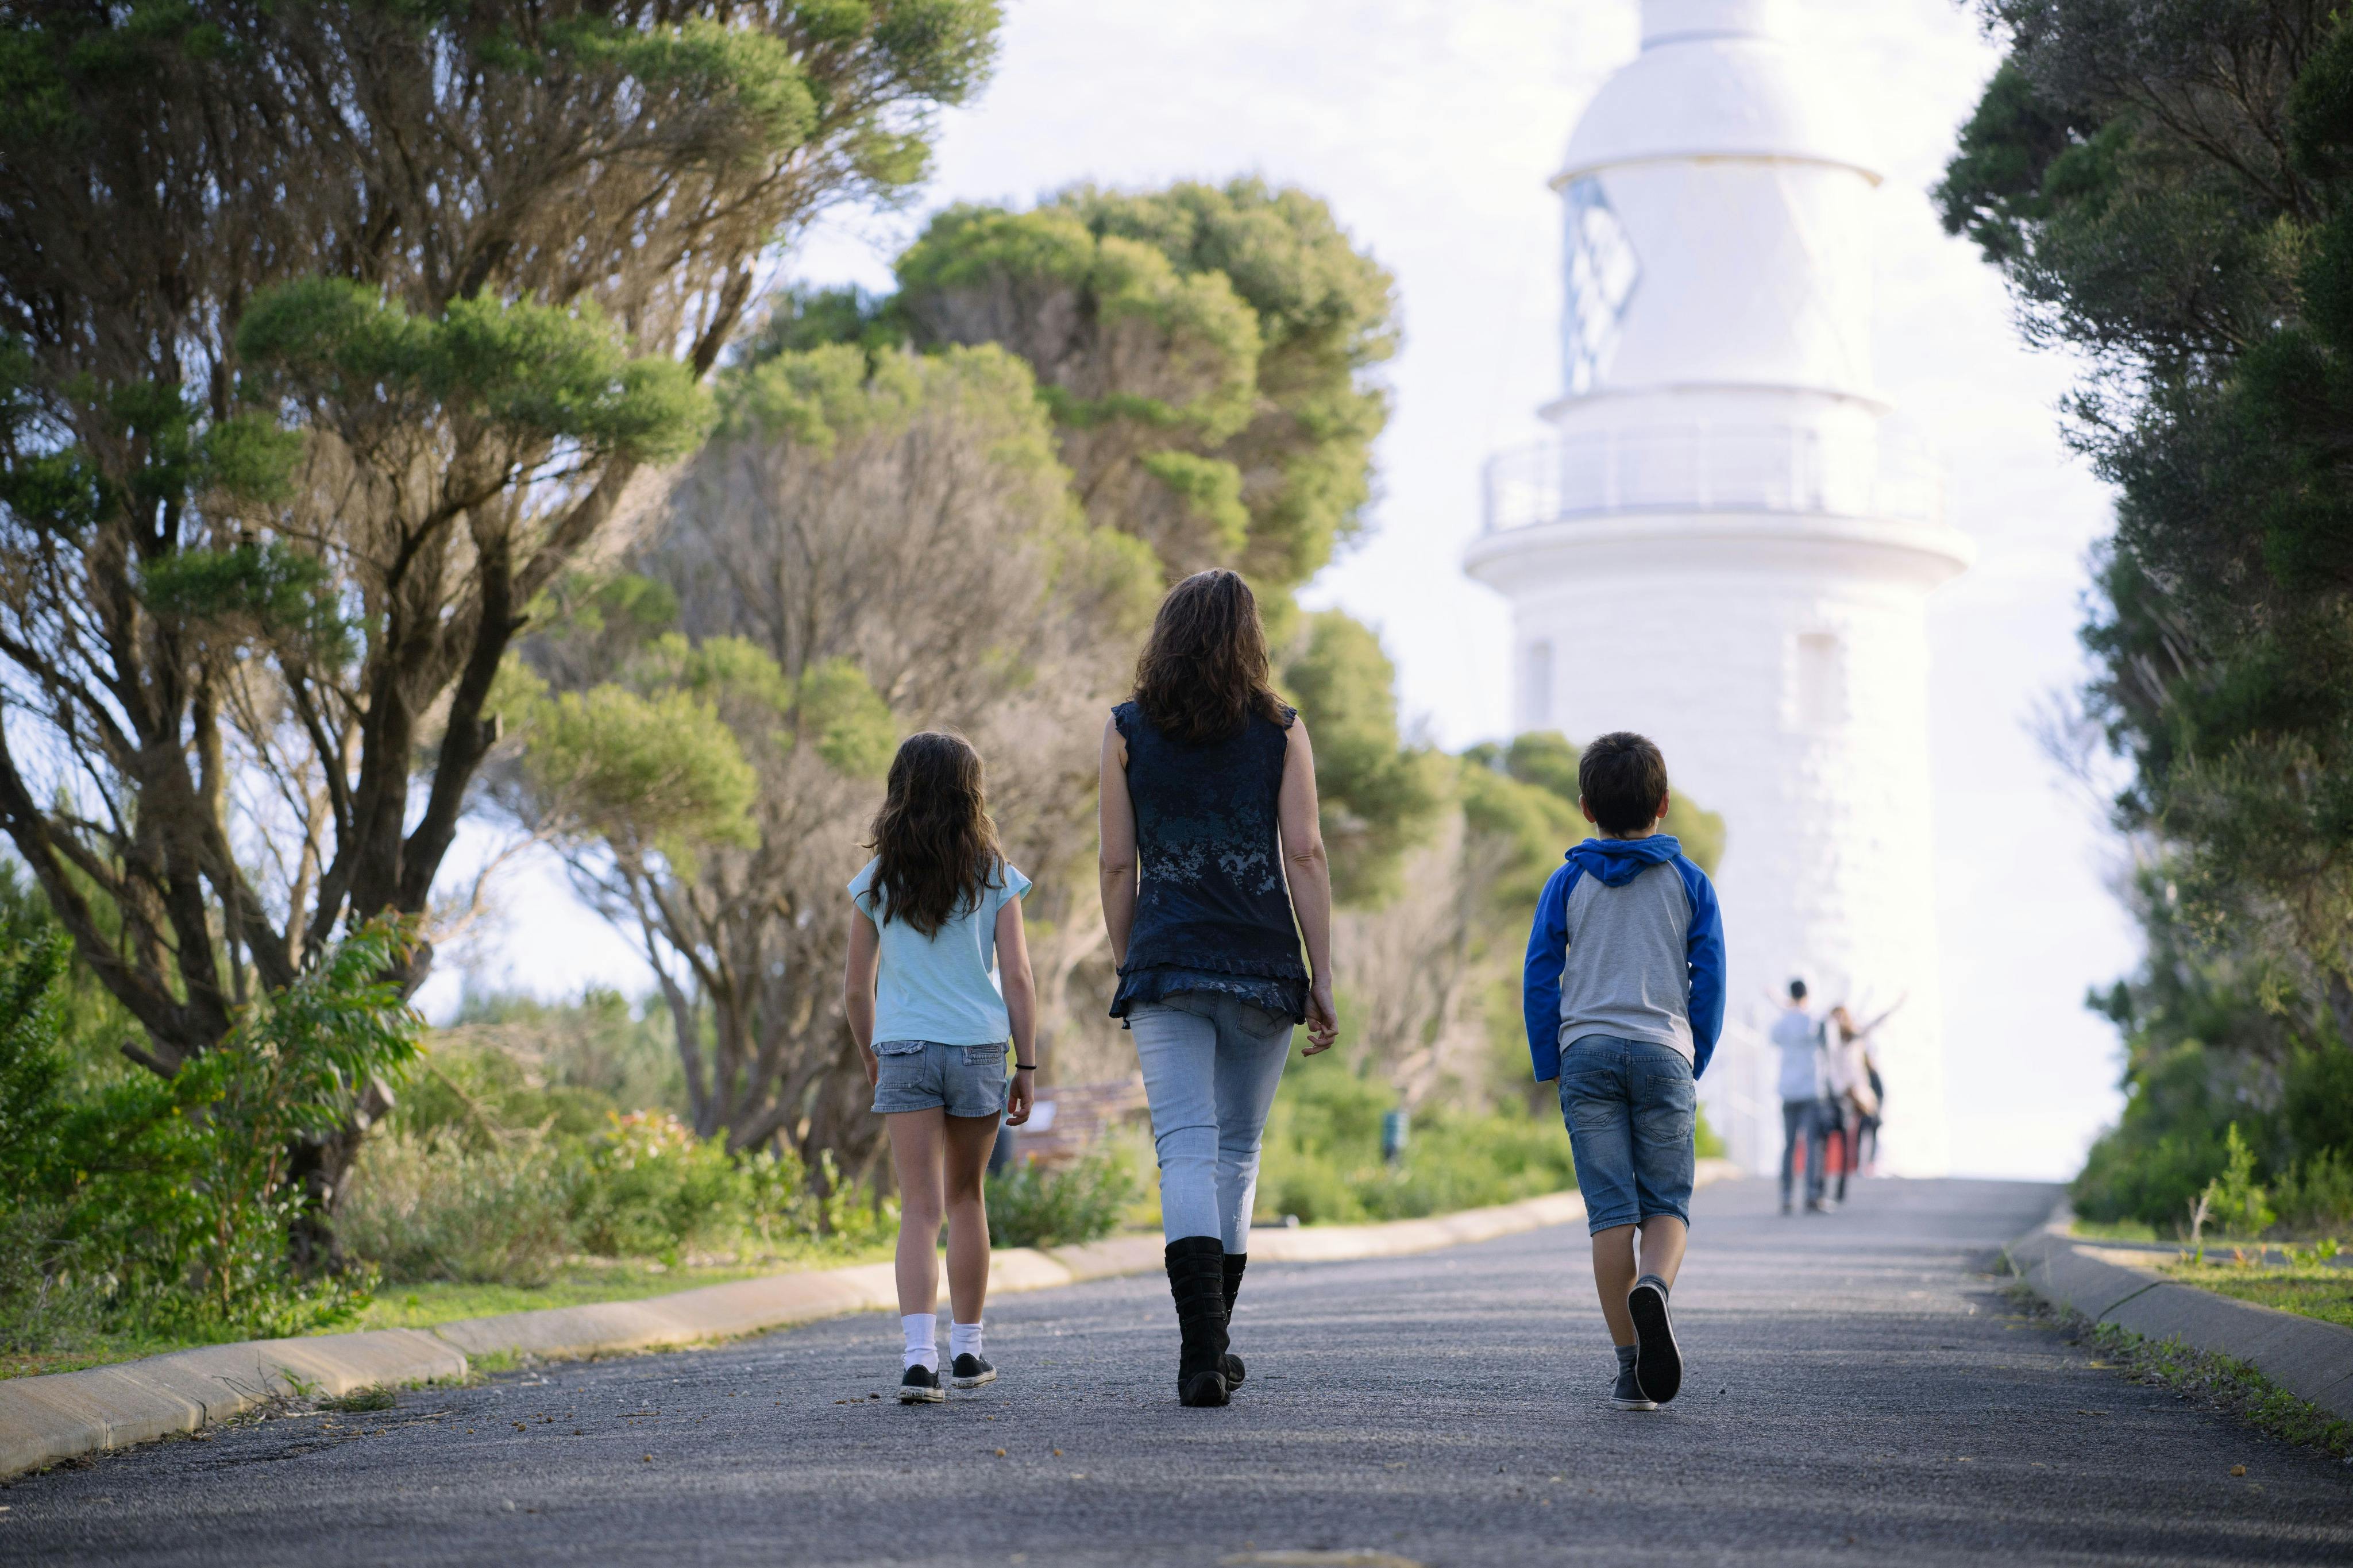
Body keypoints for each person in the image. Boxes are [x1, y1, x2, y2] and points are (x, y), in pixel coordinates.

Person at [1100, 569, 1339, 1408]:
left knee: (1188, 1153)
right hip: (1263, 965)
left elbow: (1117, 861)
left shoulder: (1127, 729)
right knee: (1236, 1153)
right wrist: (1325, 973)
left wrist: (1139, 959)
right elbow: (1304, 853)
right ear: (1250, 638)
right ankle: (1213, 1344)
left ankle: (1202, 1350)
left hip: (1168, 961)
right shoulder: (1282, 730)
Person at [1522, 732, 1725, 1413]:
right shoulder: (1689, 882)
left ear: (1585, 808)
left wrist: (1548, 1057)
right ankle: (1656, 1290)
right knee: (1667, 1204)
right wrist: (1696, 1051)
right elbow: (1711, 978)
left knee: (1611, 1217)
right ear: (1663, 805)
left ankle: (1627, 1368)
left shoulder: (1567, 880)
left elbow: (1540, 974)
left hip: (1587, 1054)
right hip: (1664, 1051)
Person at [842, 732, 1037, 1405]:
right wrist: (1029, 1063)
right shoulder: (993, 874)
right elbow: (1017, 975)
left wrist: (873, 1053)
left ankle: (917, 1361)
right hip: (980, 1050)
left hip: (904, 1050)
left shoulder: (877, 880)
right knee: (966, 1200)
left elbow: (853, 988)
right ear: (970, 791)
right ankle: (967, 1351)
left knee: (918, 1210)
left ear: (899, 790)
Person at [1827, 998, 1901, 1195]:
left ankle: (1866, 1164)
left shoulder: (1855, 1036)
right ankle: (1852, 1168)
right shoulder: (1831, 1042)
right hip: (1843, 1092)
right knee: (1847, 1131)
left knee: (1867, 1126)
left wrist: (1895, 1005)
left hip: (1860, 1092)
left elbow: (1875, 1023)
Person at [1771, 979, 1830, 1215]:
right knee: (1811, 1146)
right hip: (1810, 1089)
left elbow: (1774, 1039)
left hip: (1788, 1090)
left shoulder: (1782, 1022)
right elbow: (1825, 1042)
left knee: (1789, 1145)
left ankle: (1786, 1196)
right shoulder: (1814, 1020)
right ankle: (1812, 1195)